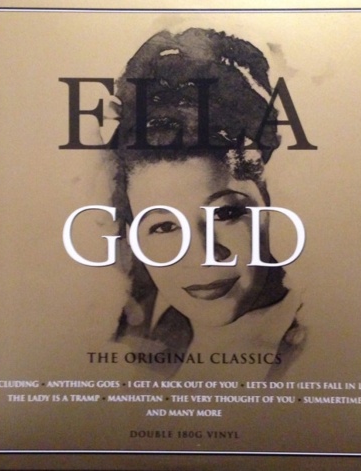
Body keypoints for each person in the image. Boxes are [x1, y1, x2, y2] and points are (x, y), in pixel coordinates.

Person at [106, 28, 306, 379]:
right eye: (163, 226)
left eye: (225, 213)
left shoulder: (319, 346)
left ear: (267, 198)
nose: (202, 254)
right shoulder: (144, 348)